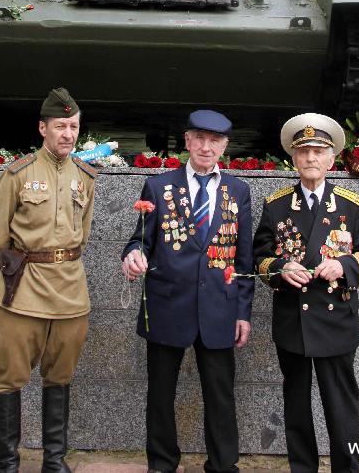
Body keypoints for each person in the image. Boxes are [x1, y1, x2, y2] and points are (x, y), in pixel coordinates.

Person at [122, 109, 254, 473]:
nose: (207, 147)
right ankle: (163, 464)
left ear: (225, 146)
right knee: (161, 395)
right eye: (200, 139)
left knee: (221, 396)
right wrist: (133, 255)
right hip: (168, 305)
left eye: (215, 141)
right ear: (188, 142)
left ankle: (223, 465)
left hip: (219, 309)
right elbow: (140, 241)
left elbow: (243, 260)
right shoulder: (158, 186)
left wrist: (242, 312)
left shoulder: (239, 191)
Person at [253, 113, 359, 473]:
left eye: (318, 151)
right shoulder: (276, 204)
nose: (310, 158)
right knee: (296, 405)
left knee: (341, 407)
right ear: (293, 159)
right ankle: (302, 468)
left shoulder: (351, 205)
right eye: (303, 151)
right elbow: (260, 255)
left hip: (335, 320)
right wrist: (280, 268)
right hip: (294, 319)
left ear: (331, 158)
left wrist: (344, 266)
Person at [0, 87, 97, 473]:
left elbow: (81, 233)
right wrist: (15, 275)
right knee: (9, 377)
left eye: (73, 126)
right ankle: (8, 465)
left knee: (60, 377)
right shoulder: (18, 174)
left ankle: (54, 461)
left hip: (70, 293)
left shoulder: (85, 176)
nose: (68, 134)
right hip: (24, 292)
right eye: (60, 126)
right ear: (43, 129)